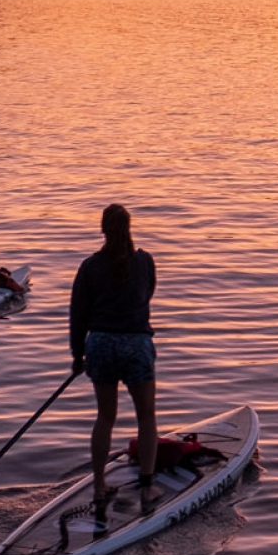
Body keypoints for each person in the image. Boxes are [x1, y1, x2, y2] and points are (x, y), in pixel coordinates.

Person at [70, 203, 157, 506]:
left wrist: (77, 356)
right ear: (129, 227)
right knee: (146, 415)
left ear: (103, 230)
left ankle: (98, 487)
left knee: (105, 417)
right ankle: (147, 488)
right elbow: (147, 294)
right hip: (135, 344)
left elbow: (77, 316)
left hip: (101, 345)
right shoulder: (144, 261)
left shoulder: (90, 266)